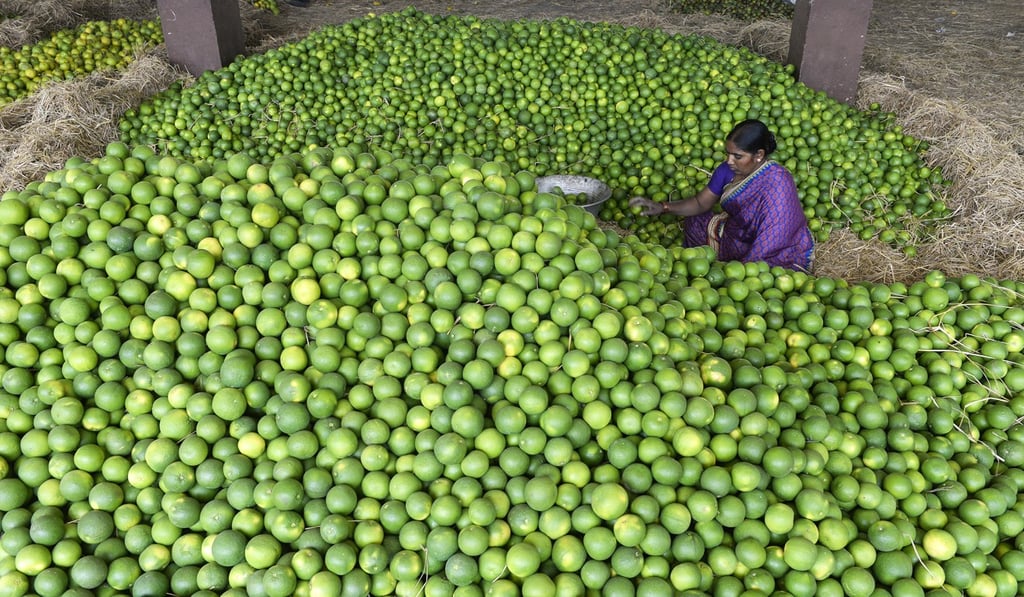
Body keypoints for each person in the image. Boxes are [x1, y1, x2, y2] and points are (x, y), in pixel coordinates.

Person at [629, 119, 814, 271]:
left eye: (737, 156)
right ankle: (714, 265)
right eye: (728, 154)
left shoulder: (778, 181)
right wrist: (663, 207)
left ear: (759, 155)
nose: (729, 161)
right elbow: (700, 203)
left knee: (765, 269)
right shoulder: (726, 170)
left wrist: (743, 271)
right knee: (695, 220)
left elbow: (777, 233)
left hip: (771, 248)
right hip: (736, 235)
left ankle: (735, 269)